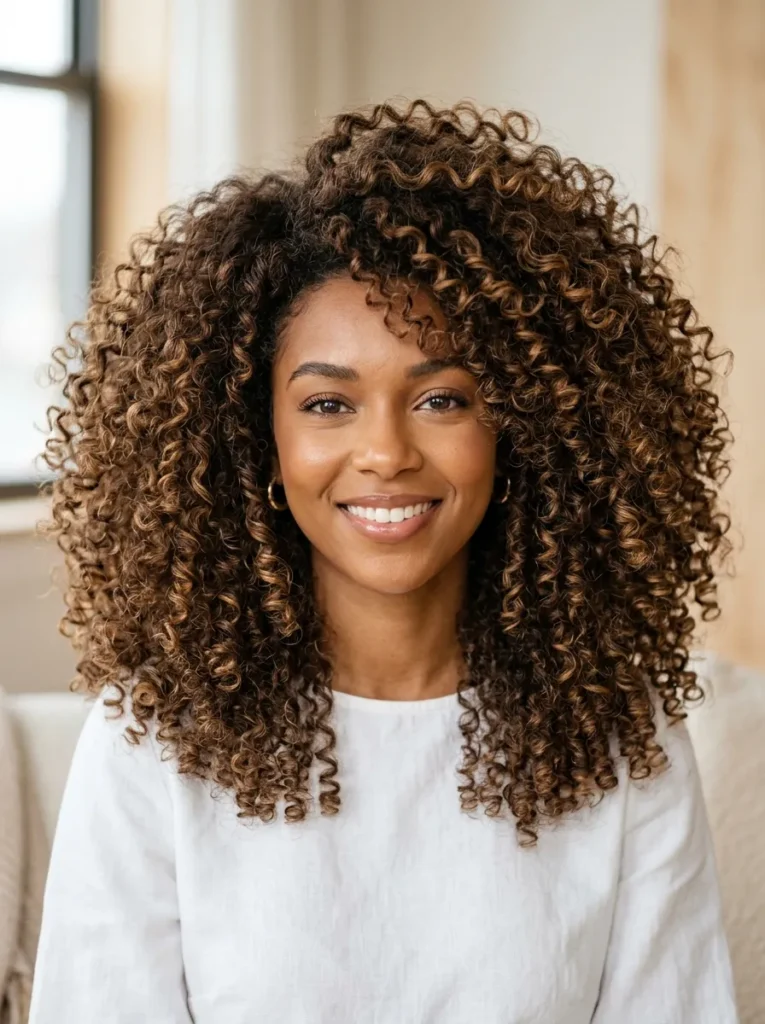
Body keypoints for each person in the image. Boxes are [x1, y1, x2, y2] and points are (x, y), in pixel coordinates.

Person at [27, 99, 739, 1023]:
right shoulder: (155, 739)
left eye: (441, 399)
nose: (386, 453)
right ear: (257, 441)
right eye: (327, 405)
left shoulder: (615, 733)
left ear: (521, 427)